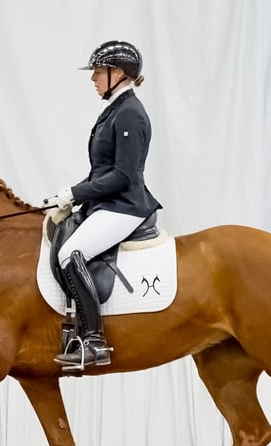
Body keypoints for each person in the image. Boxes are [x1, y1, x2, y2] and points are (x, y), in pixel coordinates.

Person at [43, 40, 162, 371]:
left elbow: (123, 175)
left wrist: (75, 193)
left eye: (98, 71)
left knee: (71, 254)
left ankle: (94, 341)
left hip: (125, 205)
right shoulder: (115, 110)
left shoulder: (131, 114)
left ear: (118, 73)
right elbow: (103, 171)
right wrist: (73, 196)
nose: (93, 78)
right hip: (107, 203)